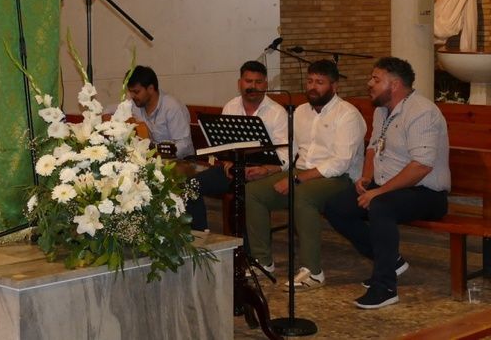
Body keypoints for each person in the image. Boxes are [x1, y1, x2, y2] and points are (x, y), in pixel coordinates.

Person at [324, 57, 450, 309]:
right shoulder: (382, 110)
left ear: (394, 85)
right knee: (336, 207)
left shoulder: (422, 112)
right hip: (390, 187)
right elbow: (373, 147)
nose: (369, 83)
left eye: (375, 79)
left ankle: (385, 288)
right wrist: (366, 177)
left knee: (380, 206)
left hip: (426, 193)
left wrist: (379, 191)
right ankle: (391, 261)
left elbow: (421, 166)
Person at [245, 60, 366, 291]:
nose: (312, 87)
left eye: (320, 82)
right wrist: (269, 170)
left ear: (334, 86)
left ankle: (313, 272)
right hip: (301, 172)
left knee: (303, 195)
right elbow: (292, 151)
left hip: (338, 179)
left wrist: (296, 179)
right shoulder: (301, 111)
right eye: (310, 81)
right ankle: (262, 261)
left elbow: (340, 163)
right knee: (253, 191)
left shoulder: (347, 115)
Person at [186, 60, 289, 235]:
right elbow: (224, 144)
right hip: (234, 169)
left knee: (248, 196)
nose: (253, 86)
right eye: (248, 81)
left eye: (258, 82)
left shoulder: (277, 112)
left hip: (262, 172)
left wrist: (266, 169)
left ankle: (247, 248)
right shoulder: (231, 106)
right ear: (240, 83)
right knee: (191, 185)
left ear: (266, 85)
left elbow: (285, 152)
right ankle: (200, 238)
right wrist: (227, 161)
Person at [126, 65, 193, 160]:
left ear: (150, 89)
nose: (132, 96)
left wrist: (158, 157)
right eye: (130, 91)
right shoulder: (136, 104)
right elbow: (110, 109)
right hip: (154, 160)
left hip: (181, 161)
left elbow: (184, 145)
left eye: (136, 92)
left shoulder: (172, 107)